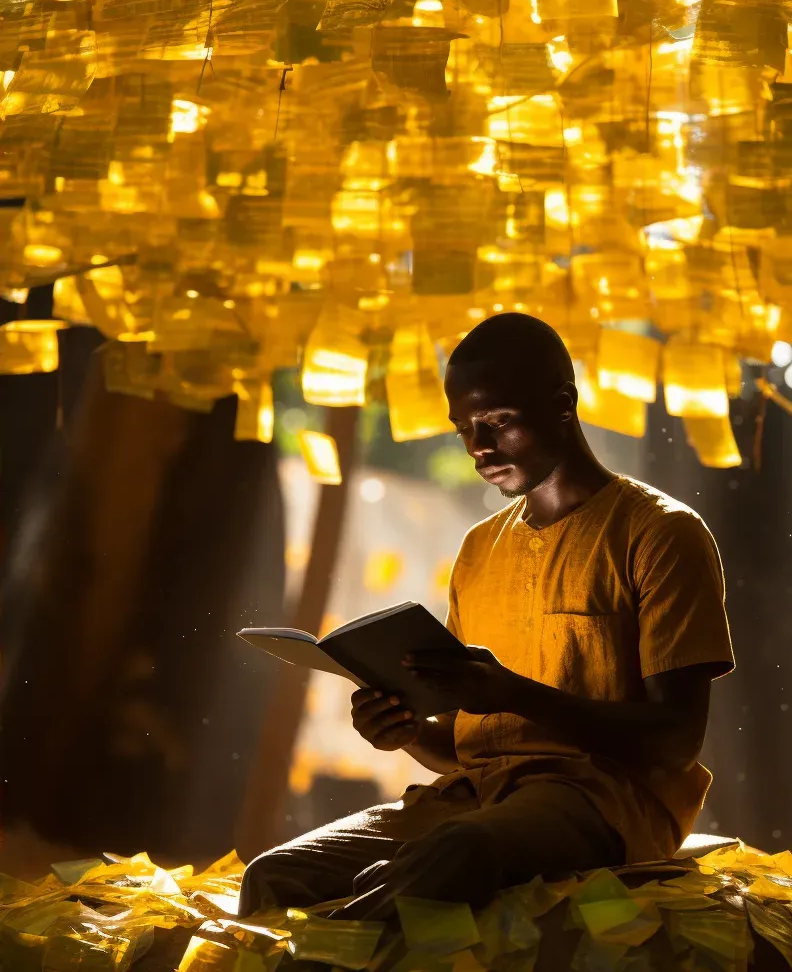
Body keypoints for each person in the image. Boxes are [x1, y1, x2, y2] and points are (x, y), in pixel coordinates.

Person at [238, 313, 735, 920]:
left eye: (498, 422)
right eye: (464, 429)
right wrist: (405, 731)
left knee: (452, 854)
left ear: (562, 404)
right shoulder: (478, 549)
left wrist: (512, 693)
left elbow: (675, 745)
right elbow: (472, 750)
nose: (479, 448)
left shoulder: (660, 533)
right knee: (276, 875)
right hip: (475, 797)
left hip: (605, 802)